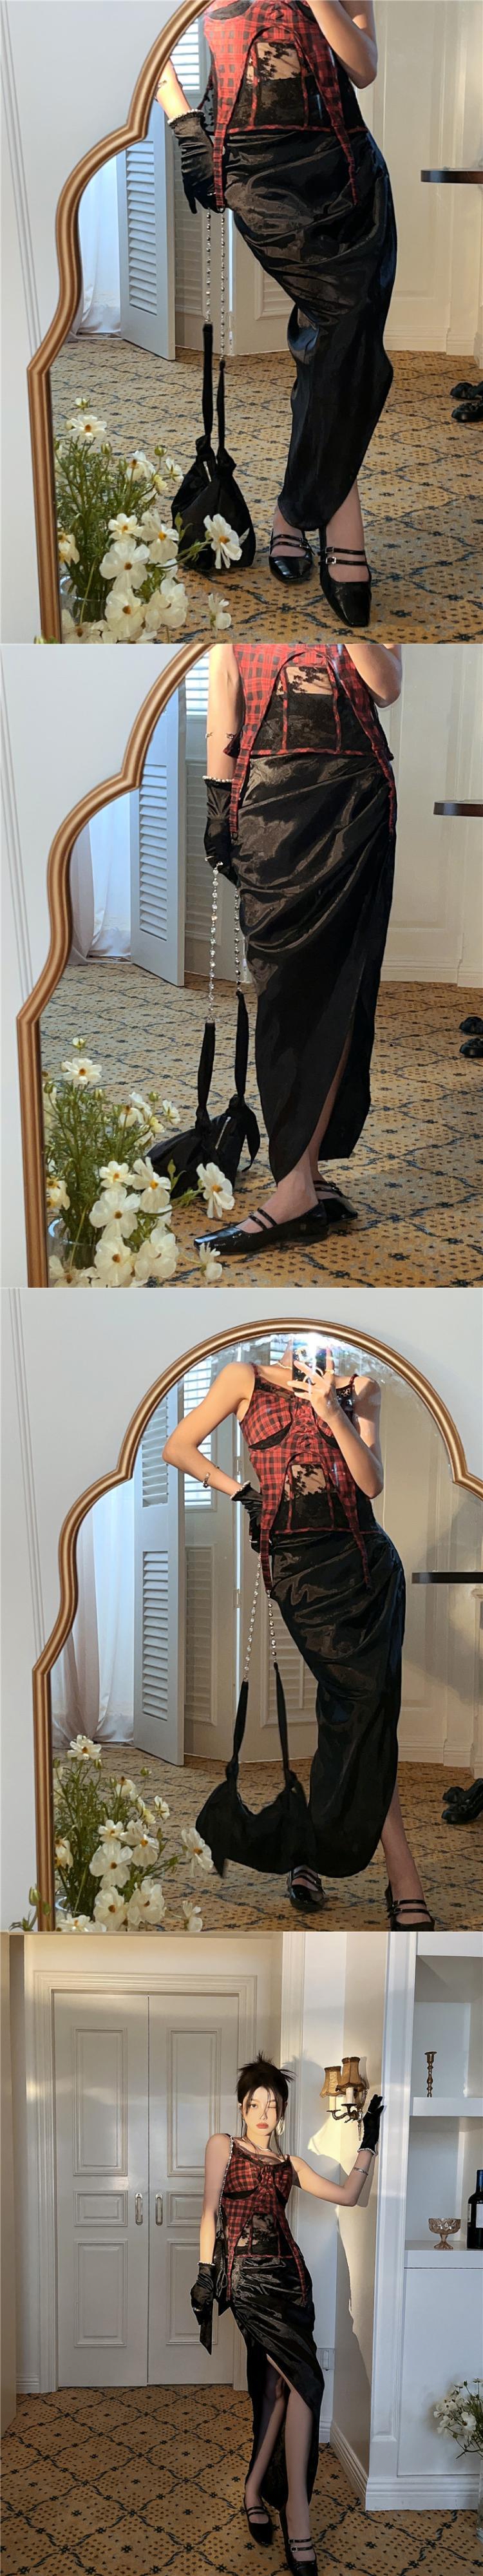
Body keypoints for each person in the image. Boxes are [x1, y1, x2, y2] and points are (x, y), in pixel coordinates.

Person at [163, 1339, 435, 1927]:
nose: (308, 1342)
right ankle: (346, 1857)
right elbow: (177, 1447)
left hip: (367, 1568)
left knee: (361, 1713)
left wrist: (333, 1410)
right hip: (300, 1573)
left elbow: (371, 1485)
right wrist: (243, 1493)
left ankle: (383, 1870)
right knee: (357, 1710)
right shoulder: (244, 1378)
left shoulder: (361, 1389)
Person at [157, 3, 396, 622]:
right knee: (342, 336)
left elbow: (364, 67)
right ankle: (337, 521)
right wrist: (185, 126)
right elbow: (145, 47)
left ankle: (293, 511)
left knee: (342, 345)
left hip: (349, 174)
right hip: (258, 174)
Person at [194, 637, 401, 1255]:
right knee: (284, 996)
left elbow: (386, 686)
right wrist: (218, 805)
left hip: (355, 802)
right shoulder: (234, 622)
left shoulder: (363, 614)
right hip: (270, 803)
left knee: (340, 986)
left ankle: (297, 1187)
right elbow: (224, 699)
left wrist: (348, 627)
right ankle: (301, 1179)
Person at [191, 2054, 384, 2571]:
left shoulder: (291, 2164)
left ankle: (256, 2489)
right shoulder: (223, 2146)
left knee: (287, 2387)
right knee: (302, 2382)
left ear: (283, 2111)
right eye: (255, 2104)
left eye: (272, 2105)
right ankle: (298, 2514)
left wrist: (369, 2142)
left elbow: (348, 2195)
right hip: (248, 2285)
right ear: (241, 2108)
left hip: (293, 2285)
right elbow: (210, 2210)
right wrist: (206, 2272)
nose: (263, 2113)